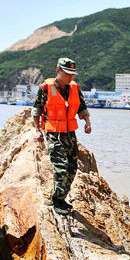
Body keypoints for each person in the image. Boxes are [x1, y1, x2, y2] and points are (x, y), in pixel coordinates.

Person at [32, 58, 92, 215]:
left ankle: (62, 198)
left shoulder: (74, 88)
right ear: (58, 71)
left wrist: (87, 122)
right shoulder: (46, 88)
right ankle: (57, 200)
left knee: (72, 168)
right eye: (67, 74)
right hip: (53, 133)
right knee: (61, 168)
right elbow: (37, 110)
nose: (70, 77)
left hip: (70, 133)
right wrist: (37, 130)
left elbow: (82, 107)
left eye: (72, 74)